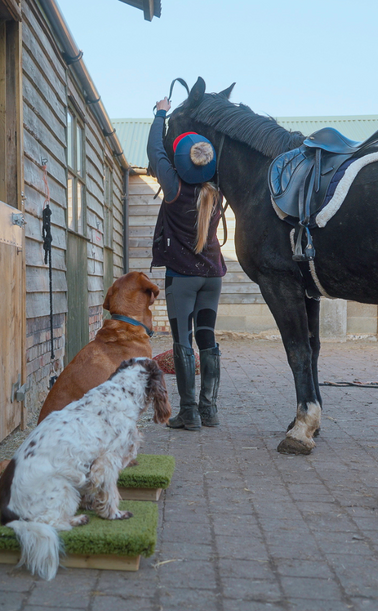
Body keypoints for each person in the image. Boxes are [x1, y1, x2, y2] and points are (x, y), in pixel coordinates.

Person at [149, 97, 227, 431]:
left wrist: (161, 113)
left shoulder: (174, 187)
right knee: (207, 338)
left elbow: (155, 151)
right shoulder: (216, 189)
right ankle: (209, 411)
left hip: (181, 278)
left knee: (183, 340)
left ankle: (190, 413)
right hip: (213, 276)